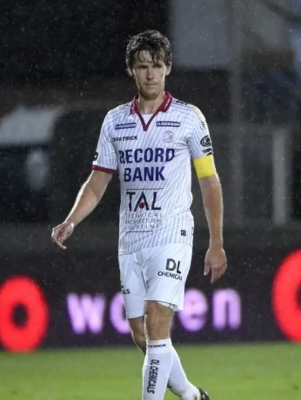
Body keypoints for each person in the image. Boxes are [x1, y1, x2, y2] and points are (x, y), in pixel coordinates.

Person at [51, 29, 226, 400]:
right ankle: (191, 395)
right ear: (131, 70)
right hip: (130, 238)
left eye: (157, 66)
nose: (151, 74)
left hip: (171, 233)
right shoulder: (115, 121)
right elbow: (98, 182)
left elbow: (209, 182)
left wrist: (216, 243)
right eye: (143, 66)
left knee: (157, 320)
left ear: (168, 68)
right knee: (141, 334)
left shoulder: (188, 118)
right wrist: (71, 220)